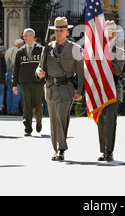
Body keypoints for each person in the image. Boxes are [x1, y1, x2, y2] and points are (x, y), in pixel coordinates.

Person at [36, 17, 84, 161]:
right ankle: (56, 149)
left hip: (66, 89)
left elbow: (81, 72)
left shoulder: (75, 48)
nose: (58, 33)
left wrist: (80, 91)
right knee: (53, 121)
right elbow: (40, 66)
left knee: (61, 116)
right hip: (51, 88)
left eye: (61, 30)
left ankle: (61, 148)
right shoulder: (47, 47)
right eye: (56, 30)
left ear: (67, 31)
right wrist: (39, 72)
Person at [96, 21, 124, 162]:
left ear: (113, 34)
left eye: (108, 33)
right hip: (100, 89)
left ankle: (109, 150)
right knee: (101, 119)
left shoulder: (119, 51)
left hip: (113, 88)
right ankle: (103, 149)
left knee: (110, 120)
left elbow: (118, 70)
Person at [13, 28, 44, 136]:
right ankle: (28, 128)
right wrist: (14, 84)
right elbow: (16, 69)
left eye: (26, 35)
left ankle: (39, 121)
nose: (24, 37)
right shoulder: (20, 51)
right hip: (24, 82)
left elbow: (46, 66)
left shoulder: (41, 50)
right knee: (26, 106)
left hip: (38, 82)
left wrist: (46, 82)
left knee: (38, 106)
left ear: (32, 36)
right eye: (24, 36)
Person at [5, 38, 24, 115]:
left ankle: (9, 109)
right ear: (19, 44)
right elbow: (15, 63)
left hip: (8, 73)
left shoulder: (8, 50)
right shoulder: (17, 50)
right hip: (15, 74)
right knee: (16, 93)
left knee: (9, 93)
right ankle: (14, 110)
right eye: (22, 45)